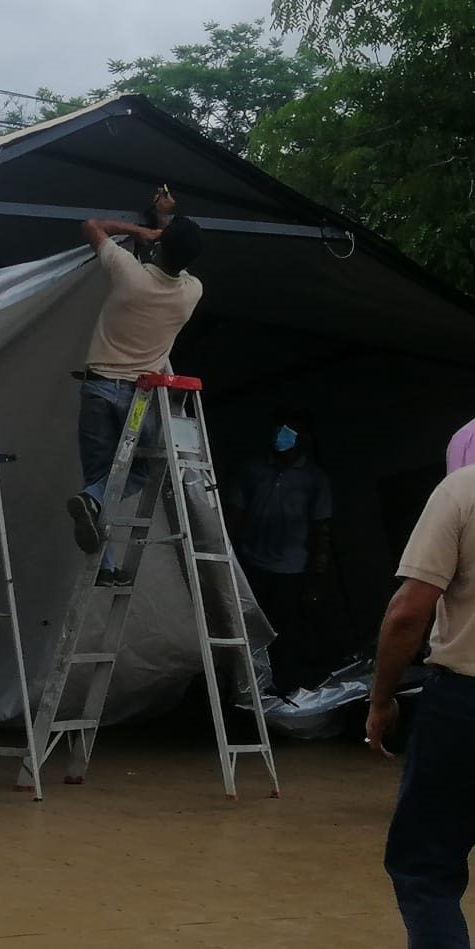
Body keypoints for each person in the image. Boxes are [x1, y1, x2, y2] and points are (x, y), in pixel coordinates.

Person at [366, 460, 475, 949]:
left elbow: (410, 609)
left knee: (424, 868)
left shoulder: (466, 491)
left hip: (468, 705)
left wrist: (381, 698)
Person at [66, 193, 205, 578]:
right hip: (139, 396)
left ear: (160, 243)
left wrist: (143, 228)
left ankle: (102, 550)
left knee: (98, 475)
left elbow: (91, 226)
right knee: (140, 468)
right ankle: (104, 559)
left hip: (97, 387)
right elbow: (175, 259)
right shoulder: (191, 292)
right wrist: (163, 225)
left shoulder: (129, 272)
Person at [228, 415, 333, 692]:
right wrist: (232, 555)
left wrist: (316, 577)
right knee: (249, 627)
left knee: (285, 631)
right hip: (252, 561)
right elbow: (236, 513)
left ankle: (284, 687)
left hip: (292, 568)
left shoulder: (313, 478)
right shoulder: (253, 470)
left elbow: (321, 527)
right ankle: (247, 687)